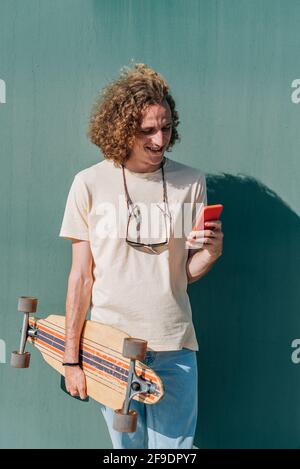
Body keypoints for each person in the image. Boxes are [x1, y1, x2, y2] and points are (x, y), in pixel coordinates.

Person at [59, 63, 223, 449]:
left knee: (173, 455)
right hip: (110, 346)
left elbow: (182, 273)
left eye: (165, 127)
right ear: (120, 128)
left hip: (175, 345)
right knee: (126, 454)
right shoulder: (89, 183)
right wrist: (71, 359)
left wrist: (211, 255)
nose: (159, 139)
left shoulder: (190, 181)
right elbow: (81, 277)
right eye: (147, 130)